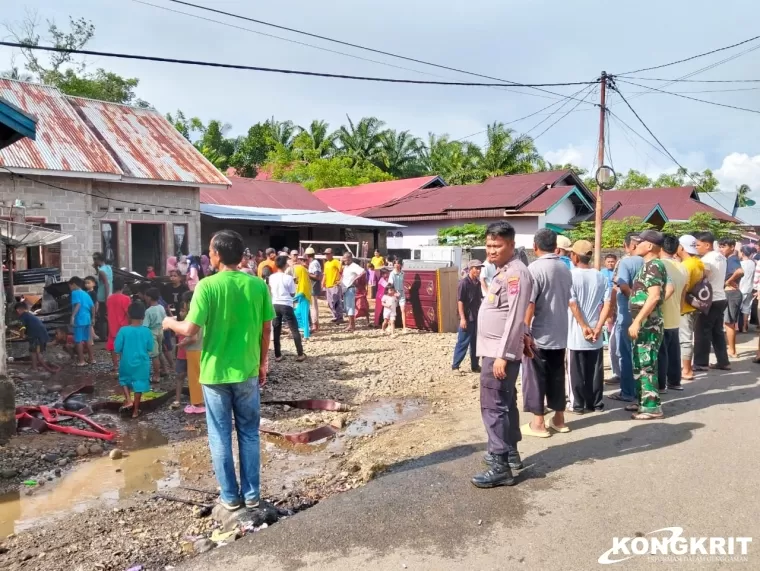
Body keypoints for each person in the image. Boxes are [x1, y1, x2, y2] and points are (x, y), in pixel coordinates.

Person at [163, 229, 275, 511]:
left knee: (220, 434)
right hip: (247, 371)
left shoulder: (207, 286)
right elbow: (266, 329)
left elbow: (189, 328)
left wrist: (168, 323)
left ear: (218, 254)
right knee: (249, 433)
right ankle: (251, 495)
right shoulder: (257, 286)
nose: (209, 255)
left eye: (211, 251)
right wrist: (262, 363)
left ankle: (230, 497)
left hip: (214, 374)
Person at [471, 221, 532, 488]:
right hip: (497, 350)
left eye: (497, 245)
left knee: (493, 406)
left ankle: (499, 465)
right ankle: (511, 453)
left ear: (511, 245)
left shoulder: (516, 274)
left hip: (499, 353)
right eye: (488, 245)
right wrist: (524, 337)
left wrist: (504, 355)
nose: (491, 250)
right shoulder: (502, 272)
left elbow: (516, 316)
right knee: (505, 402)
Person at [523, 228, 573, 437]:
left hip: (540, 333)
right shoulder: (564, 268)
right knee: (557, 376)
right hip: (560, 331)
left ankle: (538, 423)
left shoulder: (533, 269)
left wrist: (524, 330)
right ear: (555, 247)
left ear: (535, 247)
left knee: (536, 377)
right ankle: (559, 419)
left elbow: (530, 304)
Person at [566, 240, 611, 414]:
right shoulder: (600, 276)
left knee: (576, 370)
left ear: (575, 256)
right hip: (596, 330)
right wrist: (598, 326)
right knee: (595, 369)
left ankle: (577, 404)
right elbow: (607, 304)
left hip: (577, 332)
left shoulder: (570, 276)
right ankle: (596, 403)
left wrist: (584, 326)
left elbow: (573, 304)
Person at [627, 230, 668, 420]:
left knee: (646, 363)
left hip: (648, 325)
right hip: (645, 323)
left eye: (640, 242)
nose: (636, 245)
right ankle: (643, 400)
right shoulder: (649, 265)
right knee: (640, 362)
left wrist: (637, 321)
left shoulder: (654, 266)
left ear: (650, 246)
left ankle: (652, 407)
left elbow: (654, 296)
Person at [608, 233, 644, 403]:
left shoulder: (626, 262)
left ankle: (628, 392)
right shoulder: (650, 262)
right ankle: (644, 390)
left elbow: (621, 286)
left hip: (627, 315)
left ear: (629, 245)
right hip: (646, 314)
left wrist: (633, 302)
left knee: (626, 354)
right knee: (642, 354)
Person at [694, 232, 730, 371]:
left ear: (707, 245)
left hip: (710, 300)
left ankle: (700, 363)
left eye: (698, 245)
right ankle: (723, 361)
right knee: (717, 332)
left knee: (702, 332)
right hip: (720, 297)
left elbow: (704, 276)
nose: (696, 248)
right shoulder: (721, 256)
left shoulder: (707, 260)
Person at [115, 301, 154, 419]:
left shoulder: (123, 330)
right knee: (139, 384)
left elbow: (117, 348)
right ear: (143, 316)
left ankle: (128, 399)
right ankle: (136, 411)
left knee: (123, 380)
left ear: (129, 315)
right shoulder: (147, 331)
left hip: (126, 360)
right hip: (142, 362)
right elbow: (150, 347)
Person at [658, 235, 686, 392]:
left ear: (661, 248)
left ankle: (661, 385)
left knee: (661, 353)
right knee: (674, 351)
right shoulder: (681, 267)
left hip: (661, 314)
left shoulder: (658, 265)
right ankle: (675, 382)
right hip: (676, 314)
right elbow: (683, 293)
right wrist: (680, 310)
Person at [677, 235, 705, 381]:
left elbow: (683, 288)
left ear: (681, 247)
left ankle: (687, 370)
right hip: (695, 306)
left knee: (685, 339)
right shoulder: (698, 263)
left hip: (686, 308)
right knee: (687, 338)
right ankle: (686, 367)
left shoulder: (686, 265)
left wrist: (679, 307)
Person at [269, 255, 306, 362]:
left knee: (276, 329)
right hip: (286, 304)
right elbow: (292, 293)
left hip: (275, 304)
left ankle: (278, 355)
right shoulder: (289, 278)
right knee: (294, 329)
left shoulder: (271, 277)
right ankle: (300, 354)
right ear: (285, 265)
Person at [452, 260, 483, 373]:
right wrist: (463, 318)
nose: (479, 270)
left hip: (476, 316)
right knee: (463, 342)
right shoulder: (464, 283)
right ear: (470, 269)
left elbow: (478, 300)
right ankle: (455, 366)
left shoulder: (478, 283)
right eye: (476, 268)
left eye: (480, 268)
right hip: (467, 317)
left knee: (476, 343)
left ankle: (475, 366)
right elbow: (460, 301)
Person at [14, 302, 59, 373]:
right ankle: (34, 366)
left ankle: (35, 368)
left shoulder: (22, 316)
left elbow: (22, 328)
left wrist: (22, 335)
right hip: (41, 334)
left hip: (36, 336)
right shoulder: (29, 315)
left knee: (34, 352)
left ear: (18, 310)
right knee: (36, 351)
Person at [179, 290, 205, 414]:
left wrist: (181, 343)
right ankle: (203, 401)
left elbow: (193, 337)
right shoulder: (203, 311)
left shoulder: (192, 315)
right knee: (203, 376)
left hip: (194, 350)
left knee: (194, 377)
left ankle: (197, 403)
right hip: (203, 349)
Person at [719, 238, 743, 357]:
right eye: (720, 246)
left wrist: (728, 281)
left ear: (732, 247)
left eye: (724, 246)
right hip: (730, 293)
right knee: (728, 322)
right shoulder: (728, 259)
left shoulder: (733, 258)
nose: (721, 249)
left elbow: (739, 271)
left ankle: (732, 351)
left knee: (729, 323)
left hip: (731, 293)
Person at [106, 277, 132, 372]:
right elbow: (128, 313)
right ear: (123, 287)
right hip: (123, 326)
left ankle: (115, 365)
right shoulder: (126, 298)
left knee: (113, 346)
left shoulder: (109, 299)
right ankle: (124, 365)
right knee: (124, 346)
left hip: (112, 325)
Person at [600, 253, 619, 381]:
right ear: (605, 262)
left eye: (613, 261)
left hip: (616, 305)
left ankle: (616, 370)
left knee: (615, 337)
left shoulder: (618, 273)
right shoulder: (601, 273)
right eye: (608, 261)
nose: (611, 263)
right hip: (605, 305)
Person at [69, 276, 95, 366]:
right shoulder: (86, 293)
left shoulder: (75, 293)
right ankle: (92, 359)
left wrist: (72, 317)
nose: (70, 289)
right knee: (87, 339)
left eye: (70, 286)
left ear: (74, 284)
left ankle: (81, 361)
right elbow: (93, 306)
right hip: (87, 319)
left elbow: (78, 304)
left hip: (79, 319)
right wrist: (93, 318)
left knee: (78, 340)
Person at [143, 287, 167, 381]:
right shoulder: (161, 307)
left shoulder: (148, 311)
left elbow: (145, 326)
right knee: (160, 352)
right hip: (160, 331)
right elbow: (165, 320)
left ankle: (156, 375)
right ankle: (164, 369)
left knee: (154, 355)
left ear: (149, 297)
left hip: (151, 333)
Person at [341, 252, 366, 332]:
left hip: (350, 288)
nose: (344, 261)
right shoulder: (346, 266)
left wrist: (355, 279)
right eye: (344, 260)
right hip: (345, 288)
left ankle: (352, 325)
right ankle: (350, 324)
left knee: (350, 307)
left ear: (350, 258)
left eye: (346, 259)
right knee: (347, 307)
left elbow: (363, 272)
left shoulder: (354, 266)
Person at [93, 252, 113, 340]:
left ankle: (103, 336)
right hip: (109, 294)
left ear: (98, 260)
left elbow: (106, 284)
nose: (94, 261)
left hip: (103, 296)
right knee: (107, 316)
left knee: (102, 317)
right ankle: (108, 335)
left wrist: (106, 298)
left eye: (94, 259)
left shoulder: (102, 271)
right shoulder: (108, 267)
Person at [293, 255, 313, 340]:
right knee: (297, 313)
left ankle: (306, 335)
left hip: (304, 300)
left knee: (305, 317)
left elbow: (302, 292)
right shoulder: (302, 280)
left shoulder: (304, 282)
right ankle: (303, 329)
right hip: (301, 300)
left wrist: (292, 299)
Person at [322, 248, 344, 324]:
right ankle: (335, 316)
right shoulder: (326, 263)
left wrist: (340, 280)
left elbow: (341, 270)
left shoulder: (336, 262)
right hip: (328, 285)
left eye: (328, 254)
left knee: (336, 301)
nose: (326, 255)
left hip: (335, 285)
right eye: (325, 254)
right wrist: (323, 282)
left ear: (332, 254)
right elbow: (325, 274)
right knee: (329, 302)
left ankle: (339, 317)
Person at [739, 246, 756, 334]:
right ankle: (745, 328)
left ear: (742, 253)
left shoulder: (741, 264)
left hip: (741, 289)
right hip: (750, 288)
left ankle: (736, 327)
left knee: (737, 309)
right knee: (746, 308)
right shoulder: (753, 263)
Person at [305, 248, 322, 333]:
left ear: (307, 255)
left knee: (313, 307)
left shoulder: (314, 263)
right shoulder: (314, 263)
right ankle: (316, 324)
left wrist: (306, 273)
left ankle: (315, 325)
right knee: (313, 306)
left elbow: (317, 276)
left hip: (313, 287)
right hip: (313, 287)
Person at [388, 260, 407, 331]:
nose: (396, 265)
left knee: (403, 309)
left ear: (401, 265)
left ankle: (404, 327)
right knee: (392, 310)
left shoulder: (403, 273)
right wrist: (394, 293)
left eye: (398, 263)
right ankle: (389, 325)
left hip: (401, 293)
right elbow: (390, 284)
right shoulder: (392, 274)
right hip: (394, 293)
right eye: (395, 263)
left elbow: (403, 282)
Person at [84, 275, 99, 344]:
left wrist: (95, 311)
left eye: (88, 283)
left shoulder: (93, 293)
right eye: (85, 283)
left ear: (94, 284)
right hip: (86, 311)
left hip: (91, 311)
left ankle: (93, 337)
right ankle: (92, 337)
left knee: (90, 325)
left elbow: (96, 303)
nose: (86, 284)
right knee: (88, 325)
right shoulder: (85, 293)